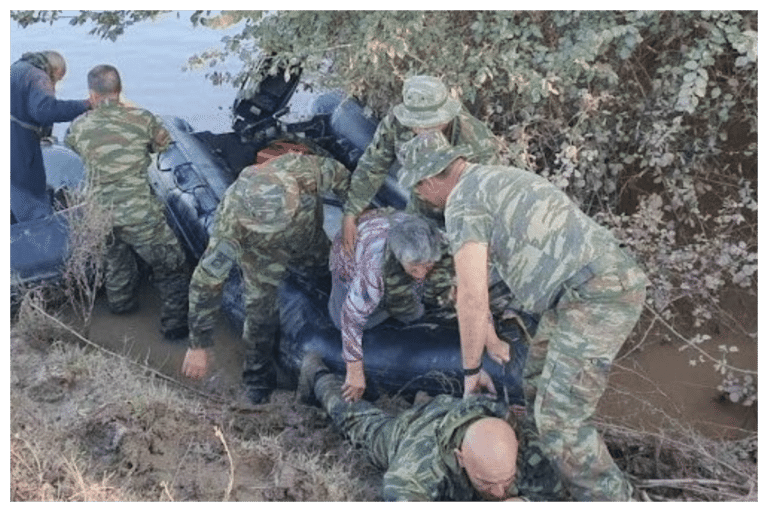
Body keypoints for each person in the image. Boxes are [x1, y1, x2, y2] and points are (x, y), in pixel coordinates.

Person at [396, 131, 648, 502]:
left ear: (431, 179)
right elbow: (481, 283)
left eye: (418, 189)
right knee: (534, 379)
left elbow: (470, 296)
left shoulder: (462, 203)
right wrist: (492, 338)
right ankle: (540, 474)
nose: (419, 197)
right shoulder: (497, 177)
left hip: (594, 296)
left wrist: (470, 371)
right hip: (578, 293)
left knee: (562, 423)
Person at [182, 144, 351, 404]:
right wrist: (198, 344)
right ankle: (258, 381)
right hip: (261, 253)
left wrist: (354, 218)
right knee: (259, 312)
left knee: (327, 277)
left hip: (308, 237)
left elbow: (345, 181)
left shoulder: (304, 169)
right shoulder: (232, 221)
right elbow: (206, 282)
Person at [298, 352, 564, 502]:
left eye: (506, 482)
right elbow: (400, 492)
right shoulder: (421, 463)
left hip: (463, 412)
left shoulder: (527, 446)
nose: (498, 493)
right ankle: (318, 376)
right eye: (487, 483)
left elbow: (559, 495)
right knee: (356, 421)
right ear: (460, 458)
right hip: (414, 429)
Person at [65, 64, 190, 341]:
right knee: (172, 264)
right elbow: (164, 144)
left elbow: (72, 146)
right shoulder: (142, 119)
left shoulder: (79, 125)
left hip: (100, 212)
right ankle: (174, 327)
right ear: (120, 91)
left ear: (92, 94)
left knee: (115, 258)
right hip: (138, 213)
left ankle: (121, 306)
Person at [340, 75, 504, 255]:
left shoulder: (476, 140)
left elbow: (487, 200)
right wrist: (352, 211)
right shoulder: (397, 123)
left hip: (464, 214)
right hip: (420, 207)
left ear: (446, 116)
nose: (423, 130)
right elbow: (374, 164)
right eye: (416, 124)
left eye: (430, 123)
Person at [328, 209, 443, 403]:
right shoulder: (374, 268)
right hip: (350, 256)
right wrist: (354, 370)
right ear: (399, 257)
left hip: (386, 224)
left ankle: (400, 298)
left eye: (427, 266)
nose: (421, 273)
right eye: (414, 268)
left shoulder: (435, 239)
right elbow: (351, 316)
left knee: (416, 309)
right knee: (355, 320)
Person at [11, 51, 90, 222]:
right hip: (18, 145)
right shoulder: (38, 77)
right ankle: (40, 232)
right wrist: (85, 105)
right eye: (58, 80)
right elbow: (45, 111)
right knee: (31, 194)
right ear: (54, 71)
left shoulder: (17, 68)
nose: (55, 86)